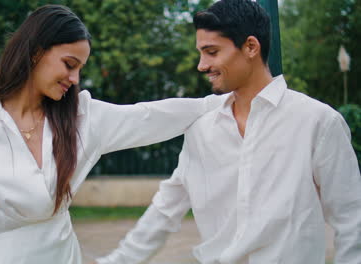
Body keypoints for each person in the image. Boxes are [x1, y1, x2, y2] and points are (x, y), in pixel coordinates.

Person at [0, 5, 214, 264]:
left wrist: (227, 99)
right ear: (36, 52)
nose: (75, 79)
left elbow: (151, 116)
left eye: (80, 69)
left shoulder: (83, 119)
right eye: (69, 64)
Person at [95, 0, 361, 263]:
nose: (201, 65)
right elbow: (166, 208)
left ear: (250, 47)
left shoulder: (318, 122)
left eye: (211, 52)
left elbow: (352, 220)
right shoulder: (202, 127)